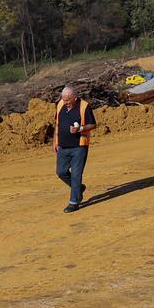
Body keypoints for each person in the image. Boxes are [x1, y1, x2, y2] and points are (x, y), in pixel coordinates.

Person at [54, 85, 96, 213]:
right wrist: (55, 142)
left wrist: (80, 129)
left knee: (76, 175)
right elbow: (57, 124)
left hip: (79, 146)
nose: (65, 102)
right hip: (63, 146)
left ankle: (74, 202)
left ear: (75, 98)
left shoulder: (84, 106)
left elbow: (93, 124)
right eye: (63, 99)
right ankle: (78, 188)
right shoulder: (60, 104)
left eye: (68, 99)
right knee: (61, 172)